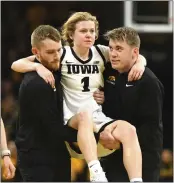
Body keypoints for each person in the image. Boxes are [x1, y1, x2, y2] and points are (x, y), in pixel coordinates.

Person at [11, 12, 146, 182]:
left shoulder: (101, 52)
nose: (89, 34)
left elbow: (134, 54)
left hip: (96, 118)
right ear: (71, 34)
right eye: (83, 31)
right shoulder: (62, 54)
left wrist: (140, 63)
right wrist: (38, 68)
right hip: (73, 120)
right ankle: (96, 173)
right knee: (84, 116)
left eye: (92, 30)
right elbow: (16, 64)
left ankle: (137, 180)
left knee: (129, 130)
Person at [14, 25, 79, 182]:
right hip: (37, 157)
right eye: (50, 52)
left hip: (56, 152)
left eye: (59, 50)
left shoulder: (53, 66)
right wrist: (91, 137)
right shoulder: (37, 84)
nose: (57, 56)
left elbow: (17, 63)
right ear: (36, 52)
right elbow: (53, 127)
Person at [99, 27, 164, 182]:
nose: (113, 54)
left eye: (119, 49)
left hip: (142, 160)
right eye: (111, 48)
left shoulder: (149, 82)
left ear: (135, 52)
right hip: (110, 156)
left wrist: (121, 143)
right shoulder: (108, 70)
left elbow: (151, 128)